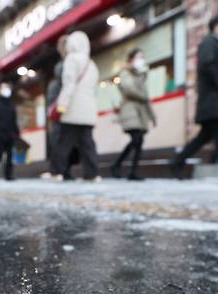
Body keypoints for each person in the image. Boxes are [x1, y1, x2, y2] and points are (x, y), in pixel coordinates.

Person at [171, 13, 218, 181]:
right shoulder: (209, 43)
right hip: (214, 99)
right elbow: (209, 66)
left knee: (205, 136)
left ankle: (177, 161)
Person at [54, 31, 101, 182]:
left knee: (64, 142)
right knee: (88, 144)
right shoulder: (91, 63)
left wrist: (62, 104)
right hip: (88, 110)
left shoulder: (71, 59)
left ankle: (58, 171)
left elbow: (69, 84)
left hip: (72, 109)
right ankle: (92, 174)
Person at [111, 48, 156, 181]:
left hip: (141, 113)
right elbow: (129, 89)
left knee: (139, 141)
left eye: (142, 57)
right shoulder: (125, 72)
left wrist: (152, 116)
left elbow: (146, 98)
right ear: (131, 59)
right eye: (138, 57)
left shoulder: (141, 75)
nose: (141, 60)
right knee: (136, 139)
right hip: (130, 110)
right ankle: (117, 165)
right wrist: (141, 92)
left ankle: (132, 171)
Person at [43, 36, 79, 181]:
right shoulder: (63, 67)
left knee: (69, 140)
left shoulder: (72, 63)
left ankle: (62, 169)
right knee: (62, 139)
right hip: (62, 106)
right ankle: (60, 170)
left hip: (69, 105)